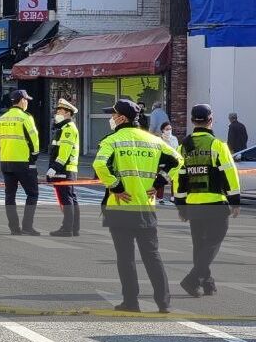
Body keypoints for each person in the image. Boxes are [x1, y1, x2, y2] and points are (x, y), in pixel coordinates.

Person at [93, 99, 182, 313]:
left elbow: (99, 164)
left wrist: (116, 186)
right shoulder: (153, 140)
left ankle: (131, 302)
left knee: (126, 258)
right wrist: (159, 182)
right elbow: (178, 160)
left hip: (120, 207)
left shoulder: (112, 140)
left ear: (122, 118)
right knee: (152, 256)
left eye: (113, 114)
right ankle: (164, 302)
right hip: (145, 207)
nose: (111, 118)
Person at [173, 104, 242, 298]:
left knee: (200, 245)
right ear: (210, 120)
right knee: (213, 242)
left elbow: (179, 178)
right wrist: (235, 201)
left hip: (193, 204)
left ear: (192, 120)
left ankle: (207, 283)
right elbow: (230, 174)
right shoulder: (217, 145)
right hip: (215, 203)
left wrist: (181, 206)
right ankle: (192, 280)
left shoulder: (183, 147)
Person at [0, 89, 41, 235]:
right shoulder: (25, 118)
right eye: (26, 100)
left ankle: (14, 228)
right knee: (32, 194)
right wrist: (33, 157)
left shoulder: (2, 119)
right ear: (22, 100)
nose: (27, 102)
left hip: (5, 162)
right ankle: (27, 227)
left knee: (10, 196)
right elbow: (34, 141)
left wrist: (5, 154)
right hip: (23, 162)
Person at [47, 99, 81, 237]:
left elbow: (64, 152)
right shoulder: (64, 128)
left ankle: (67, 229)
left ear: (68, 113)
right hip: (66, 169)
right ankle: (73, 228)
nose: (57, 114)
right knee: (71, 198)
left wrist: (55, 168)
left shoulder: (68, 129)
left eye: (60, 111)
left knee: (66, 200)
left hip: (64, 169)